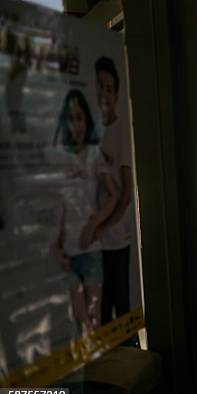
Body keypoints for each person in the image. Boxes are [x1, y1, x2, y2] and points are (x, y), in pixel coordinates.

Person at [51, 89, 118, 334]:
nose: (75, 124)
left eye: (79, 117)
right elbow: (59, 206)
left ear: (86, 119)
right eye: (70, 118)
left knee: (94, 321)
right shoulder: (60, 159)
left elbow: (114, 196)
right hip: (68, 253)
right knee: (80, 324)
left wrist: (93, 225)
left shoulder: (93, 154)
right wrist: (56, 245)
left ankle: (96, 370)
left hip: (90, 250)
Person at [93, 56, 135, 324]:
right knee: (103, 308)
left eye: (109, 88)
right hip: (98, 241)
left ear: (117, 94)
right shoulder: (94, 130)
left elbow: (126, 194)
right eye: (100, 86)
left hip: (116, 240)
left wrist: (102, 228)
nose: (104, 93)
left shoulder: (120, 131)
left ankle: (131, 360)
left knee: (121, 309)